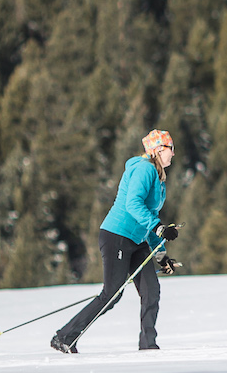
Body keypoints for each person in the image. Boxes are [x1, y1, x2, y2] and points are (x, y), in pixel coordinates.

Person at [52, 129, 177, 354]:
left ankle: (148, 345)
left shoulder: (158, 179)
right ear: (159, 149)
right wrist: (159, 227)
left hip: (136, 241)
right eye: (171, 148)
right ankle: (65, 336)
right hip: (117, 236)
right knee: (111, 295)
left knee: (151, 290)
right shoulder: (144, 168)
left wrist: (161, 256)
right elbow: (133, 204)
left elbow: (149, 220)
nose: (173, 154)